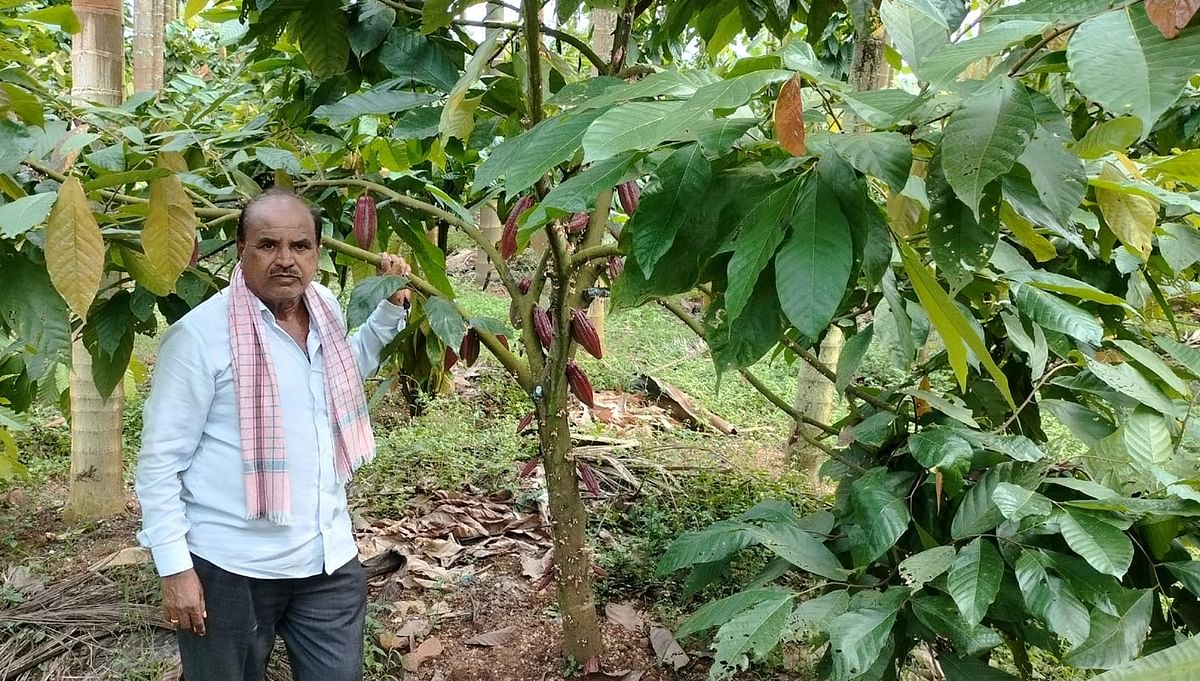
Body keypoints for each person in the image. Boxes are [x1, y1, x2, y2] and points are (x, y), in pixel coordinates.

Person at [135, 188, 411, 681]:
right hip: (230, 568)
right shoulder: (200, 337)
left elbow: (340, 376)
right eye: (267, 245)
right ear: (241, 248)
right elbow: (159, 464)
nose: (285, 260)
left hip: (327, 561)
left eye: (300, 246)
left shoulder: (324, 305)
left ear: (318, 253)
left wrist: (388, 309)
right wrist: (176, 569)